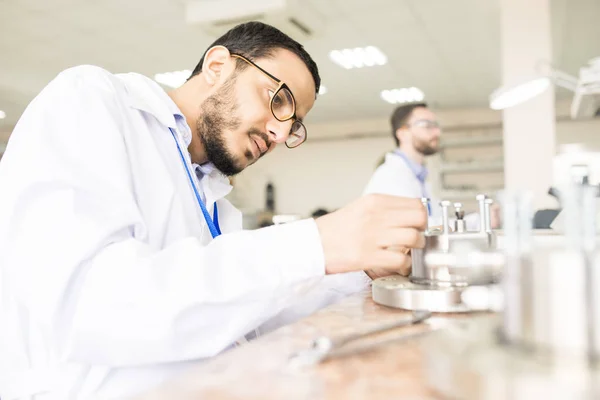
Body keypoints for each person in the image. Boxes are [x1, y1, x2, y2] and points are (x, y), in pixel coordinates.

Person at [0, 22, 426, 399]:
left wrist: (353, 268)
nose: (280, 132)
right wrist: (315, 242)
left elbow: (236, 313)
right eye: (278, 99)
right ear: (217, 66)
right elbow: (89, 305)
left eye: (294, 123)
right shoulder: (92, 99)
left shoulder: (213, 192)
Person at [364, 102, 499, 229]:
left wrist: (478, 219)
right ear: (403, 134)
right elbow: (419, 226)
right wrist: (477, 222)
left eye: (436, 125)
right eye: (427, 125)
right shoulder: (391, 176)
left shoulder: (419, 176)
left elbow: (435, 219)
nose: (437, 133)